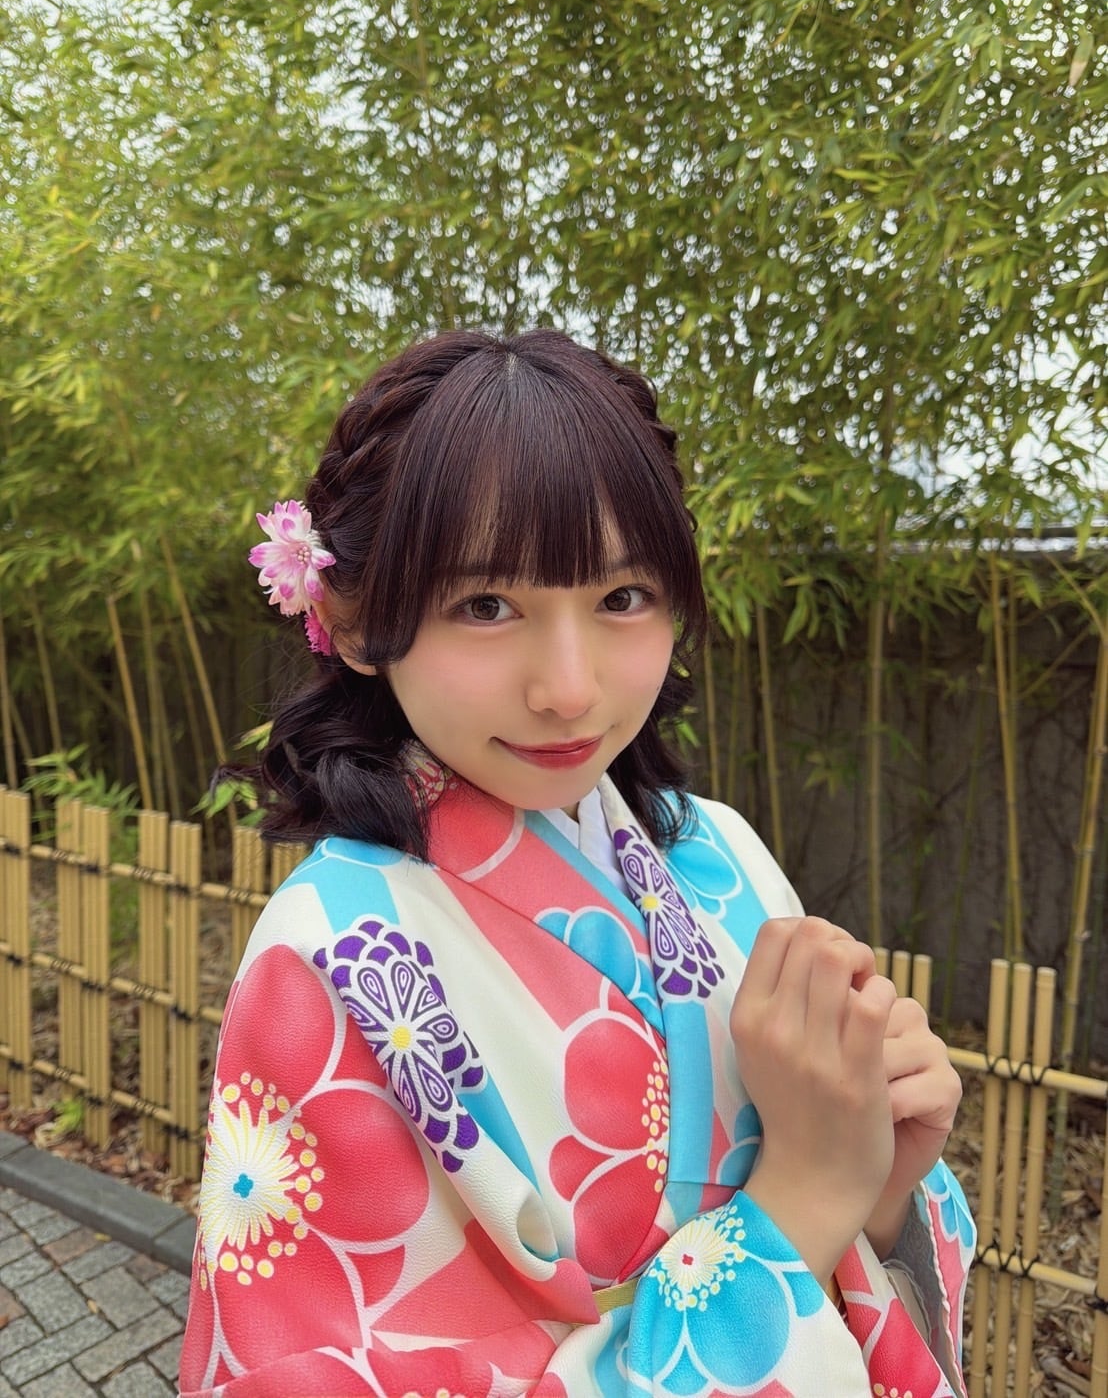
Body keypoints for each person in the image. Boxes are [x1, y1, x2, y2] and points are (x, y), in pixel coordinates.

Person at [179, 329, 974, 1397]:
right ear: (353, 621)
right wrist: (801, 1201)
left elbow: (834, 1212)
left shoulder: (717, 850)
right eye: (486, 606)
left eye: (621, 598)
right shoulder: (326, 958)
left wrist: (874, 1186)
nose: (569, 688)